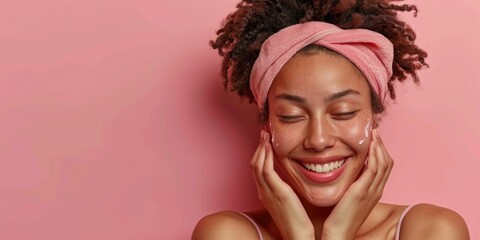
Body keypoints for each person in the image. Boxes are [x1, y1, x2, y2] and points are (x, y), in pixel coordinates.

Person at [192, 0, 470, 239]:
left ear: (374, 118)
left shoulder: (431, 231)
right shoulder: (226, 233)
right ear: (267, 125)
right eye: (292, 116)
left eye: (344, 112)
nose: (318, 140)